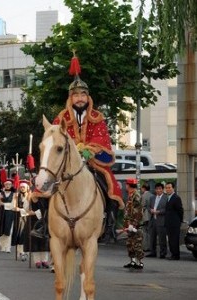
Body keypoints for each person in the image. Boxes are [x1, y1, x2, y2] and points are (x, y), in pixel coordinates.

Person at [52, 59, 125, 237]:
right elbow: (54, 141)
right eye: (76, 95)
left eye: (83, 95)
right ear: (70, 98)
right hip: (65, 164)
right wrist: (73, 150)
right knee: (45, 186)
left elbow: (102, 139)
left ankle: (110, 224)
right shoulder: (59, 118)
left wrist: (89, 149)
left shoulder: (97, 118)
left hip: (91, 162)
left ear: (88, 97)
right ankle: (44, 221)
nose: (80, 99)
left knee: (111, 185)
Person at [122, 178, 144, 269]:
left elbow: (138, 212)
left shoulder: (136, 196)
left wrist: (133, 224)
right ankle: (133, 261)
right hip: (129, 224)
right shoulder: (131, 195)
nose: (125, 186)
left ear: (129, 185)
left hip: (135, 225)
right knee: (130, 243)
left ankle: (140, 262)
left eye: (126, 184)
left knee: (137, 243)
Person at [146, 182, 168, 259]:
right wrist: (150, 210)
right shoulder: (152, 198)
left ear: (162, 189)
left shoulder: (166, 198)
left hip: (161, 220)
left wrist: (159, 212)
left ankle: (163, 253)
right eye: (157, 189)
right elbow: (148, 207)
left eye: (160, 189)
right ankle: (153, 252)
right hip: (153, 220)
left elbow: (167, 209)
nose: (158, 190)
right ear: (155, 190)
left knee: (162, 238)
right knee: (152, 237)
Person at [11, 180, 31, 261]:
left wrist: (21, 210)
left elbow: (29, 208)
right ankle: (20, 252)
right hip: (18, 218)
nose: (22, 188)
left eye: (24, 187)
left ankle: (26, 252)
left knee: (26, 235)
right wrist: (15, 200)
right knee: (18, 235)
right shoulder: (17, 196)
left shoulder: (30, 196)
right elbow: (14, 207)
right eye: (21, 187)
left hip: (27, 218)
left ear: (27, 188)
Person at [164, 182, 184, 260]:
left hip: (175, 223)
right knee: (171, 239)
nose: (168, 189)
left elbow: (180, 210)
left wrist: (180, 220)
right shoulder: (168, 197)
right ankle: (173, 254)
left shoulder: (176, 198)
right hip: (169, 223)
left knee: (174, 239)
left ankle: (176, 255)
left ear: (173, 188)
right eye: (166, 188)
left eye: (169, 187)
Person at [0, 179, 16, 253]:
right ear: (4, 185)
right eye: (6, 185)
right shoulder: (1, 194)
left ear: (11, 185)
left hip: (10, 213)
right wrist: (0, 202)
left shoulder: (14, 194)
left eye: (9, 184)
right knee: (1, 229)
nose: (8, 186)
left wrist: (4, 204)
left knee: (9, 230)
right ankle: (2, 246)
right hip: (2, 213)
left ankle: (8, 247)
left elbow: (13, 205)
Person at [140, 184, 153, 252]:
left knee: (144, 231)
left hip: (145, 215)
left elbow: (142, 206)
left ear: (144, 188)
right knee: (150, 232)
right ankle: (150, 246)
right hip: (151, 215)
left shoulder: (143, 196)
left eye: (141, 188)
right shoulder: (152, 195)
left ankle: (145, 247)